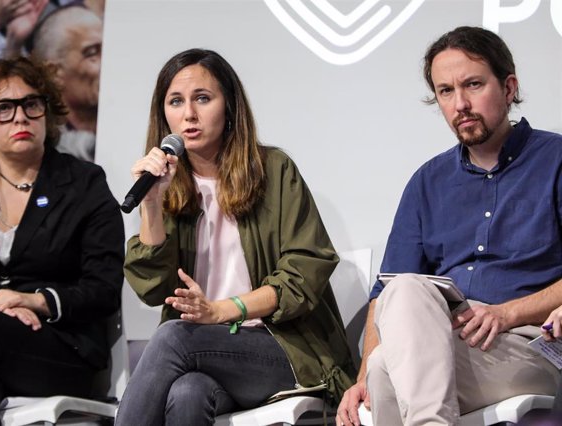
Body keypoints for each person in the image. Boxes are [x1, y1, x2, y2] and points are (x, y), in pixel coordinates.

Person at [116, 48, 355, 425]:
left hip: (286, 349)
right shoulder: (167, 187)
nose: (189, 115)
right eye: (176, 101)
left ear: (230, 106)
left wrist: (220, 312)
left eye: (203, 99)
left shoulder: (273, 170)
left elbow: (304, 271)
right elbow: (152, 289)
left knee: (174, 337)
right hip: (207, 355)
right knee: (188, 393)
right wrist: (151, 203)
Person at [337, 26, 562, 426]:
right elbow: (385, 294)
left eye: (473, 85)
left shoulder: (555, 159)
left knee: (390, 371)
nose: (460, 104)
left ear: (508, 88)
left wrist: (508, 313)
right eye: (445, 91)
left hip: (528, 347)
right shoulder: (428, 181)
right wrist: (361, 376)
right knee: (399, 303)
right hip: (438, 344)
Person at [0, 56, 124, 425]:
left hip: (59, 350)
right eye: (3, 108)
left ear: (46, 112)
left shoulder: (84, 184)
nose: (20, 117)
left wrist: (34, 301)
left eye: (31, 104)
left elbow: (103, 288)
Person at [30, 4, 102, 161]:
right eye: (92, 53)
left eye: (107, 50)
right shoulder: (41, 146)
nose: (106, 64)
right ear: (53, 72)